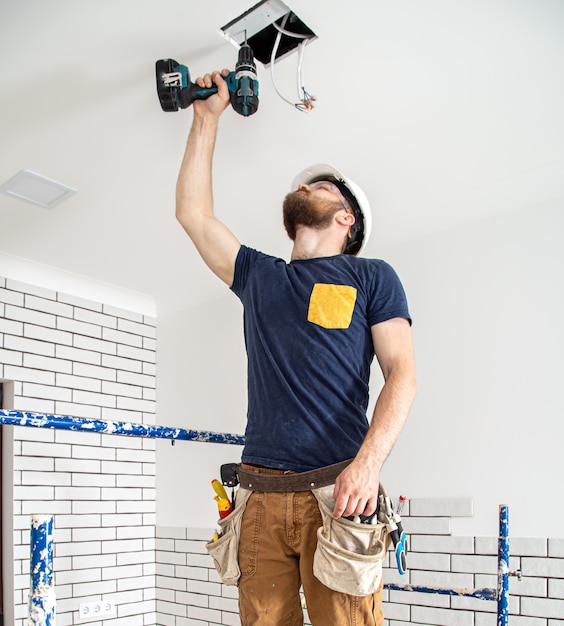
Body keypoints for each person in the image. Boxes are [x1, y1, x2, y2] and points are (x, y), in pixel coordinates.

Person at [175, 68, 417, 626]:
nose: (304, 187)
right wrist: (206, 119)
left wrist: (368, 464)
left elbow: (402, 373)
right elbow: (193, 215)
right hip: (257, 497)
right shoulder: (260, 277)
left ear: (345, 218)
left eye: (321, 186)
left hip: (338, 494)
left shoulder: (371, 277)